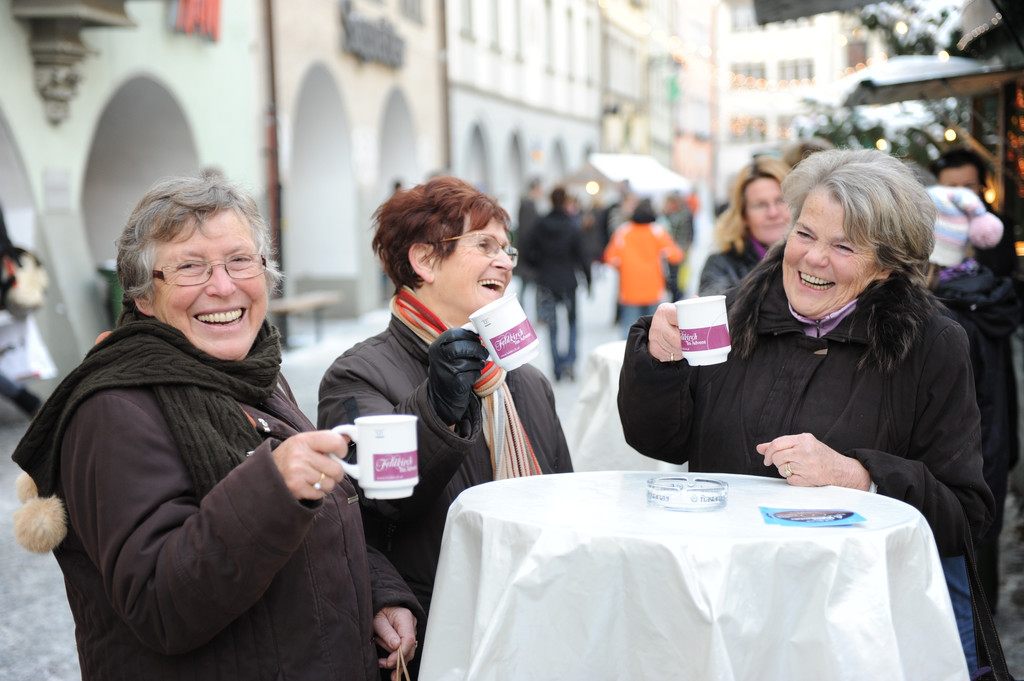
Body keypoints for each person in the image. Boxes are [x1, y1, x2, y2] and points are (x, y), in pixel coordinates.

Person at [10, 173, 422, 680]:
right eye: (189, 267)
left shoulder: (253, 374)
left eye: (239, 260)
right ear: (142, 295)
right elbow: (160, 605)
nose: (223, 286)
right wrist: (273, 485)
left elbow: (318, 524)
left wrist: (378, 594)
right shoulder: (113, 411)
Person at [618, 150, 994, 665]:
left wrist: (861, 477)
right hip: (718, 612)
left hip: (850, 633)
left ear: (886, 264)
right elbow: (658, 439)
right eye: (806, 233)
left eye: (844, 246)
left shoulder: (931, 344)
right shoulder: (730, 315)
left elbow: (965, 516)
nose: (814, 259)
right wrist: (659, 360)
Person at [317, 175, 573, 679]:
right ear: (425, 261)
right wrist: (435, 406)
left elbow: (566, 500)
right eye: (485, 245)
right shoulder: (357, 375)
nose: (504, 261)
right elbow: (377, 503)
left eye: (507, 249)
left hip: (538, 625)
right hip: (440, 634)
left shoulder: (526, 381)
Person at [926, 184, 1021, 623]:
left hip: (963, 469)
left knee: (959, 597)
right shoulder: (983, 297)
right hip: (992, 455)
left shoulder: (950, 313)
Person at [930, 147, 1022, 298]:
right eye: (950, 187)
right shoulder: (924, 228)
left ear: (982, 187)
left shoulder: (1000, 226)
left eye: (969, 186)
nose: (961, 194)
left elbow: (1005, 277)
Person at [523, 186, 592, 381]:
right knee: (571, 322)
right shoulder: (572, 225)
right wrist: (588, 279)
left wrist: (539, 267)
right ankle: (570, 361)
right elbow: (582, 255)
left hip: (546, 280)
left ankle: (557, 366)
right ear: (565, 201)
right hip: (568, 280)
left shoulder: (540, 224)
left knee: (552, 325)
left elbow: (527, 251)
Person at [698, 156, 791, 296]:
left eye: (781, 200)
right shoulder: (721, 266)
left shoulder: (814, 259)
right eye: (760, 205)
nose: (773, 213)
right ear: (744, 216)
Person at [602, 198, 684, 338]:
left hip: (629, 290)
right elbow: (676, 256)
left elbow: (610, 259)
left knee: (629, 333)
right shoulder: (657, 231)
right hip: (653, 290)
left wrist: (624, 267)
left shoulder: (623, 232)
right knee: (654, 333)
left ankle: (627, 359)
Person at [661, 192, 695, 301]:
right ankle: (676, 296)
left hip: (680, 249)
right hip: (672, 249)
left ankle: (678, 297)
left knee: (678, 276)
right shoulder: (671, 214)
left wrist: (686, 248)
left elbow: (688, 232)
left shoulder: (683, 214)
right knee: (673, 276)